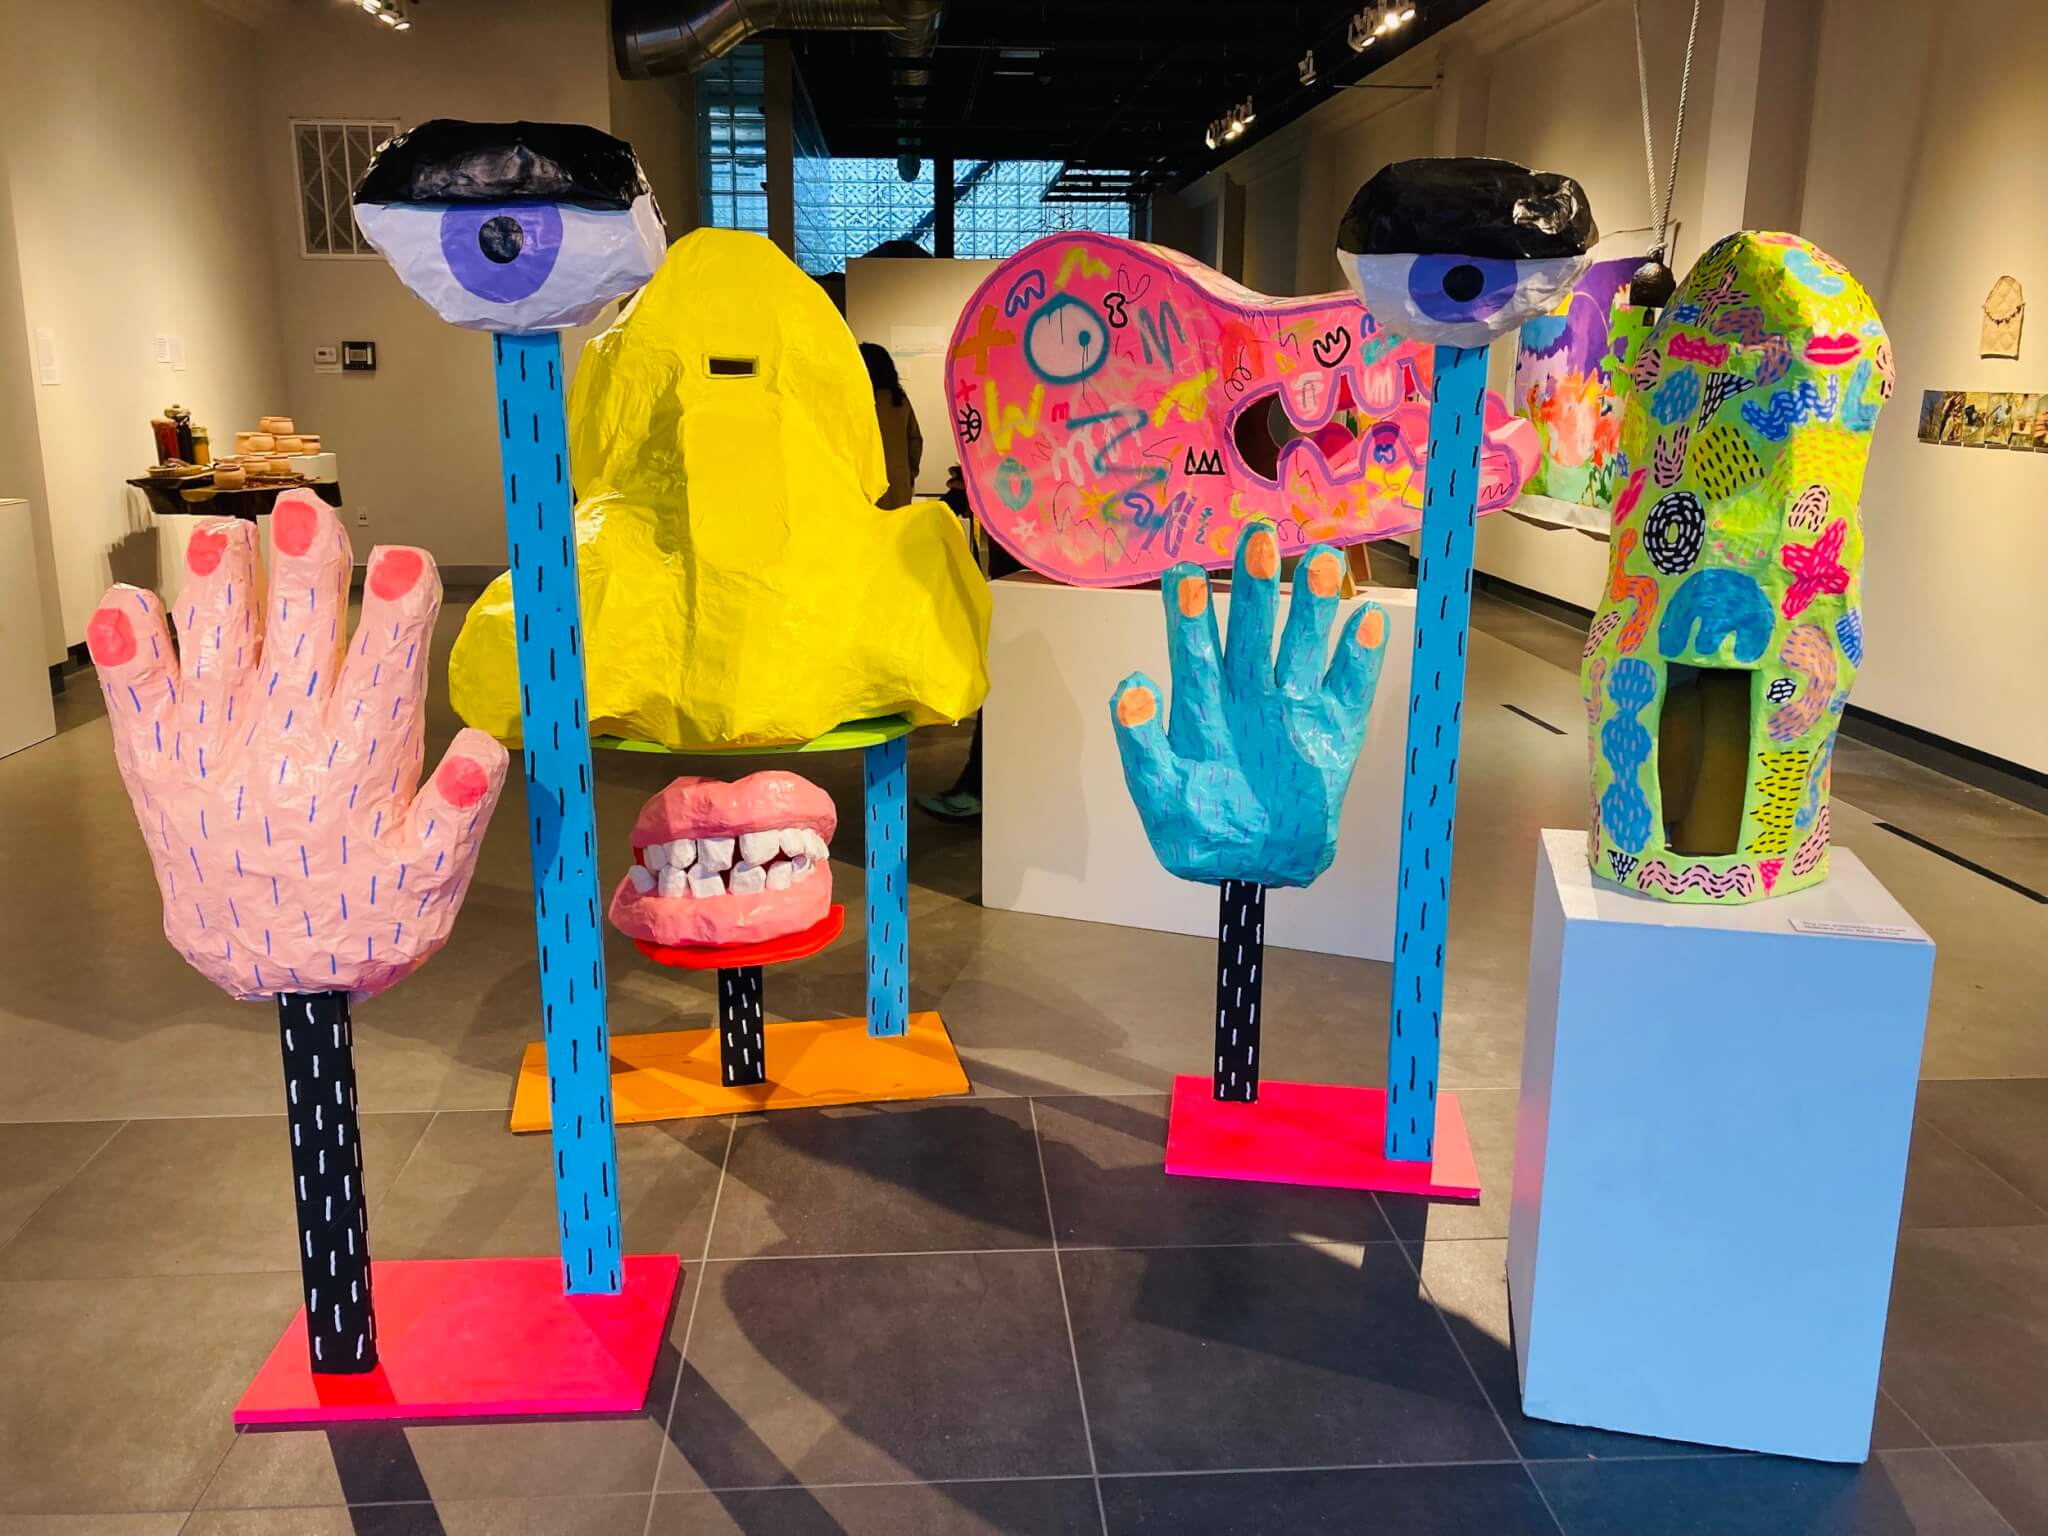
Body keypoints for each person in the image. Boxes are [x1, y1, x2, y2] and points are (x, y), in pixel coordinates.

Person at [860, 342, 921, 510]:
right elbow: (915, 441)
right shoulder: (899, 401)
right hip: (898, 480)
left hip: (865, 482)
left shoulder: (857, 402)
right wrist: (909, 473)